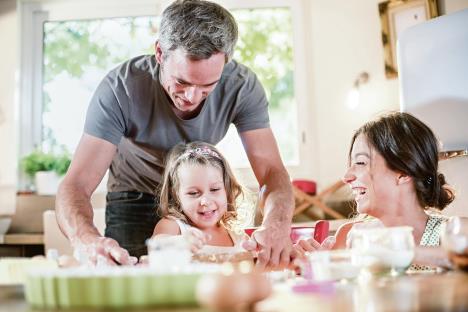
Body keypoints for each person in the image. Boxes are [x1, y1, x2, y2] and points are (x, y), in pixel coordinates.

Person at [55, 0, 294, 267]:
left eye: (207, 86)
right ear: (160, 52)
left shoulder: (242, 88)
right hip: (135, 196)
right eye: (181, 82)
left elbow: (272, 172)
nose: (192, 97)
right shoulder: (119, 89)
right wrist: (87, 241)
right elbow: (76, 184)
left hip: (195, 201)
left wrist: (277, 225)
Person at [295, 112, 455, 269]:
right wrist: (315, 268)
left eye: (360, 162)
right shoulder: (348, 235)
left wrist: (388, 251)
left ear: (404, 172)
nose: (346, 176)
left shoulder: (452, 234)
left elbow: (461, 257)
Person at [152, 142, 247, 254]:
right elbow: (156, 245)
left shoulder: (236, 234)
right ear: (176, 195)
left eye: (215, 189)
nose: (205, 202)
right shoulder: (174, 225)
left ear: (227, 190)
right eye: (193, 193)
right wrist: (179, 242)